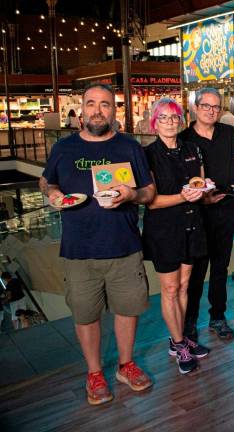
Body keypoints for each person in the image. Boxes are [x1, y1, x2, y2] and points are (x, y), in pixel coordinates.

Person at [39, 83, 156, 405]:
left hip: (124, 245)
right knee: (86, 314)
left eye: (105, 104)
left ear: (113, 111)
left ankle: (126, 365)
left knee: (128, 310)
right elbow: (47, 179)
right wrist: (51, 193)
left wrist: (132, 194)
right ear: (81, 110)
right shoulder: (64, 148)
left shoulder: (129, 147)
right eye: (91, 104)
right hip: (79, 249)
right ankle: (94, 372)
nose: (97, 110)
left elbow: (148, 191)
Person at [142, 98, 212, 375]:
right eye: (164, 118)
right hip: (164, 230)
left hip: (192, 225)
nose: (170, 122)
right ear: (154, 123)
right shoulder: (147, 154)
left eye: (174, 118)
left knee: (184, 287)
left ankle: (178, 338)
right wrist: (184, 196)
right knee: (170, 289)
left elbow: (201, 184)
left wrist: (205, 190)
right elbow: (152, 201)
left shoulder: (192, 149)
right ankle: (180, 344)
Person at [180, 88, 234, 342]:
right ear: (195, 108)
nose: (211, 111)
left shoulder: (228, 133)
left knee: (220, 266)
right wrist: (203, 196)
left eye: (215, 107)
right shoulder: (184, 139)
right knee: (196, 271)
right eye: (206, 106)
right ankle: (189, 322)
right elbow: (182, 181)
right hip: (196, 213)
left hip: (225, 207)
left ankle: (217, 317)